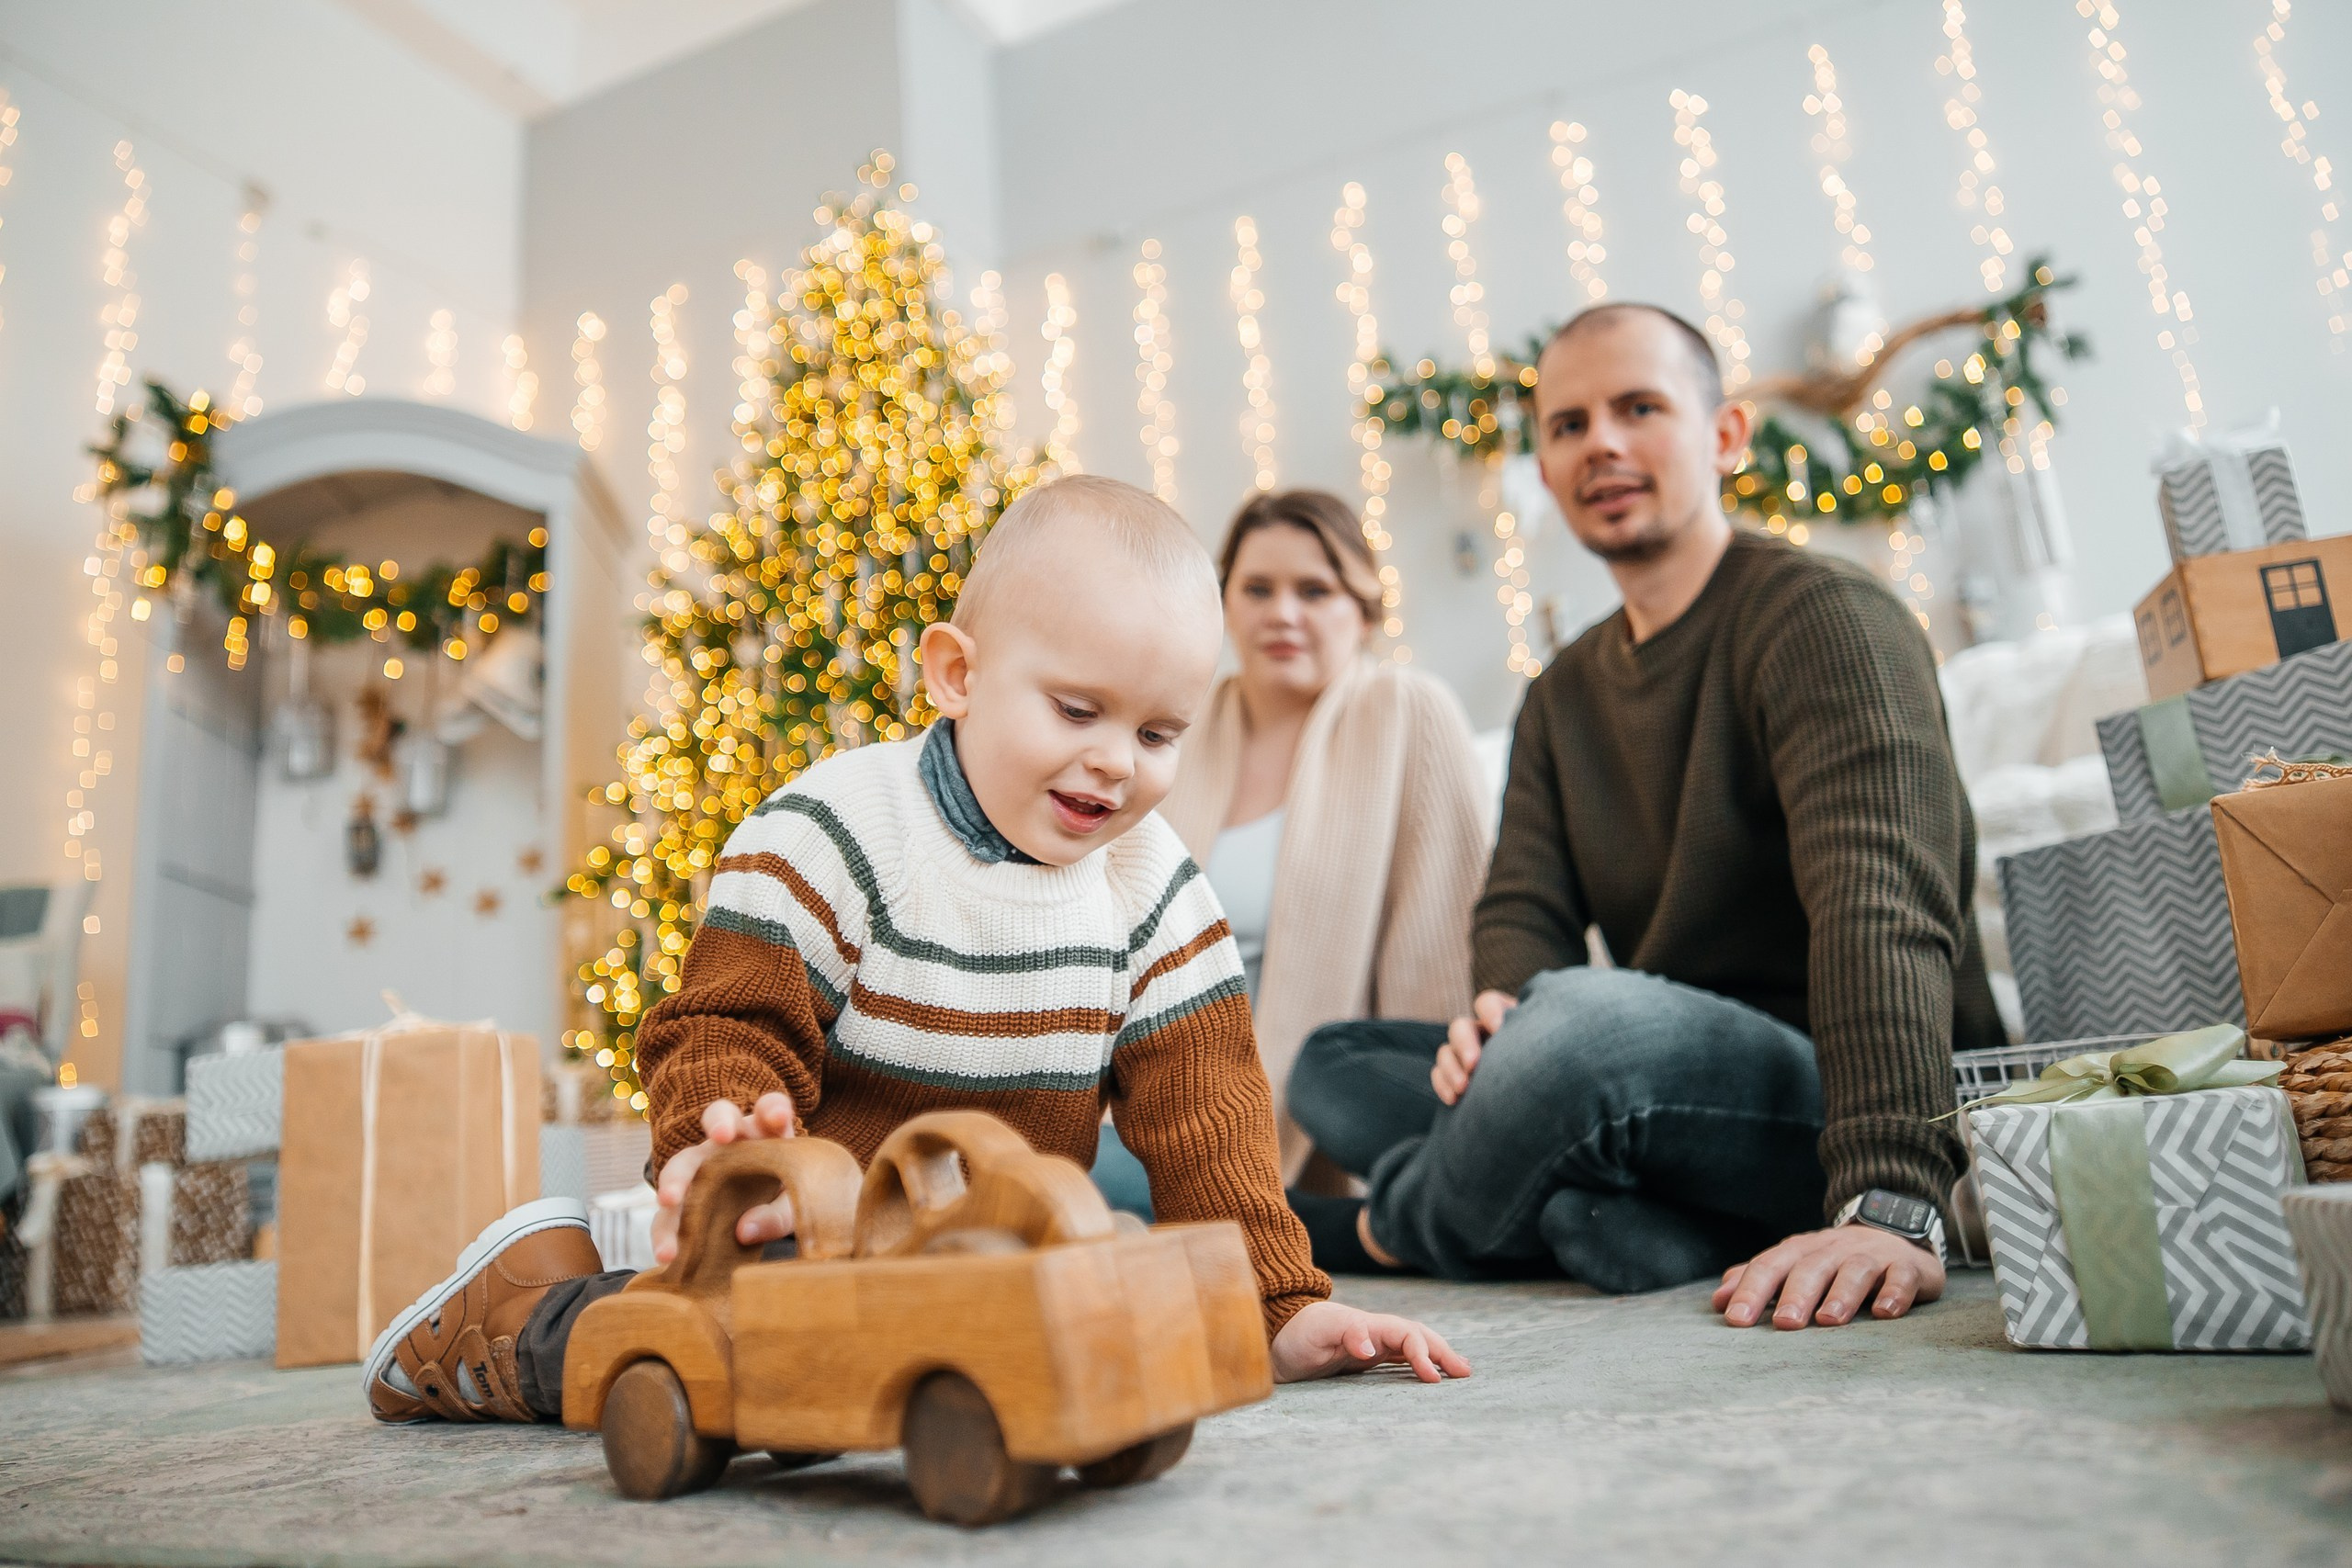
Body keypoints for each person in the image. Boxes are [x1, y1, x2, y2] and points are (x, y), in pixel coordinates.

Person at [362, 475, 1469, 1427]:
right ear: (956, 675)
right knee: (744, 1362)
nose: (1113, 764)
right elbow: (725, 1024)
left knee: (1082, 1331)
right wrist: (719, 1137)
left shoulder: (1154, 889)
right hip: (799, 1238)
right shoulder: (839, 830)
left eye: (1155, 734)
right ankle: (519, 1322)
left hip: (980, 1266)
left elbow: (1205, 1116)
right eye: (1076, 709)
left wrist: (1281, 1307)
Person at [1286, 303, 2005, 1332]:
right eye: (1568, 425)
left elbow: (1879, 903)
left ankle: (1381, 1233)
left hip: (1842, 1085)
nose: (1602, 444)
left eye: (1638, 407)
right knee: (1337, 1064)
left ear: (1723, 437)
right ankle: (1645, 1229)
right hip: (1656, 1091)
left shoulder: (1825, 617)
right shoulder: (1561, 692)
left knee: (1576, 1029)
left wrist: (1888, 1196)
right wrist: (1496, 1015)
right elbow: (1521, 906)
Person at [1096, 490, 1487, 1203]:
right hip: (1159, 1084)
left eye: (1314, 589)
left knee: (1079, 1191)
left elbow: (1442, 946)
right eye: (1258, 589)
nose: (1282, 612)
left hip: (1312, 1101)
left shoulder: (1408, 711)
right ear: (1224, 607)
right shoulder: (1173, 731)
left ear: (1365, 609)